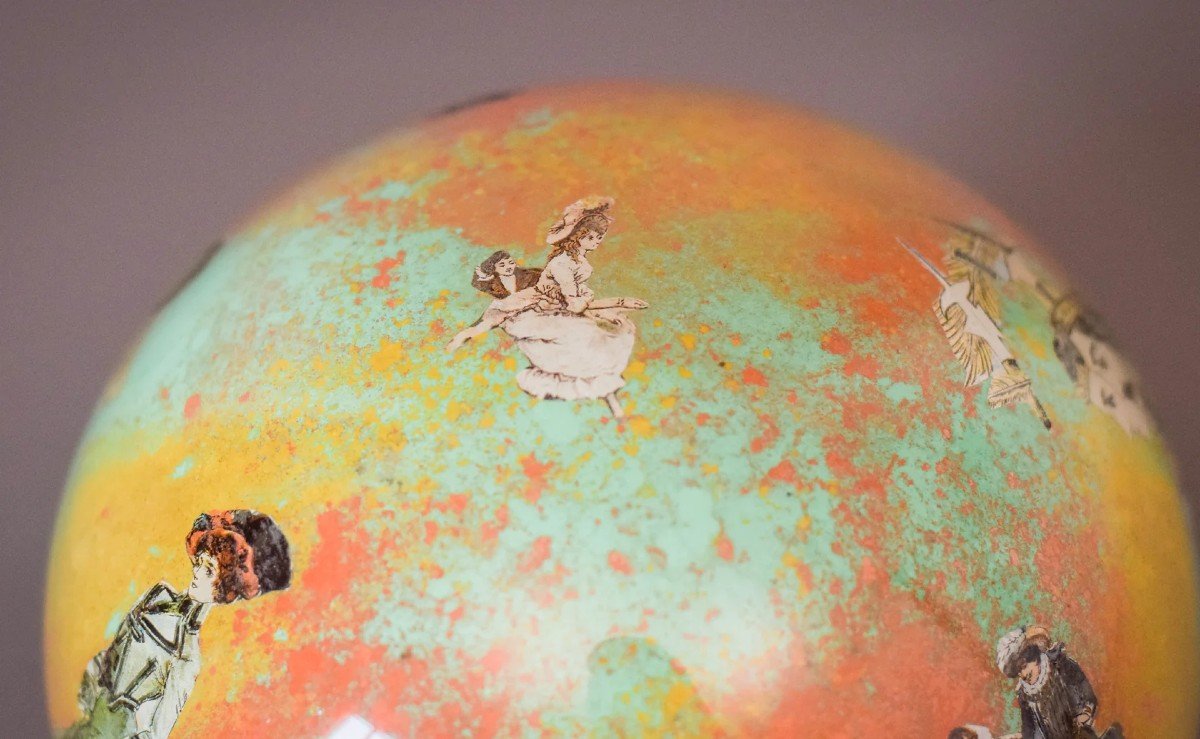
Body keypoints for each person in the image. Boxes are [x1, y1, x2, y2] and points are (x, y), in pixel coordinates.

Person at [67, 510, 291, 739]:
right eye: (199, 562)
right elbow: (115, 648)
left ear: (226, 589)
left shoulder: (186, 655)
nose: (196, 572)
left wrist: (139, 722)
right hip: (91, 716)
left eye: (209, 570)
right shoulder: (157, 595)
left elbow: (156, 732)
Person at [447, 196, 648, 418]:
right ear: (579, 236)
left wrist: (606, 312)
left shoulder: (559, 266)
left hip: (556, 311)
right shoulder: (560, 265)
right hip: (538, 319)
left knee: (599, 339)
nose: (597, 241)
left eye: (600, 237)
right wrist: (619, 302)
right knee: (583, 340)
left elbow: (572, 302)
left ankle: (612, 401)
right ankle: (607, 400)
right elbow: (573, 304)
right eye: (592, 237)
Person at [994, 627, 1124, 739]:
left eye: (1023, 666)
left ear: (1032, 655)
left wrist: (1085, 714)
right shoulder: (1024, 693)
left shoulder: (1061, 665)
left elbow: (1087, 693)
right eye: (1018, 672)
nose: (1022, 675)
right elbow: (1028, 728)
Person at [470, 250, 542, 299]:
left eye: (511, 263)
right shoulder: (494, 281)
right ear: (494, 269)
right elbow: (478, 284)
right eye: (502, 265)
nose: (508, 267)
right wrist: (486, 278)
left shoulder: (529, 275)